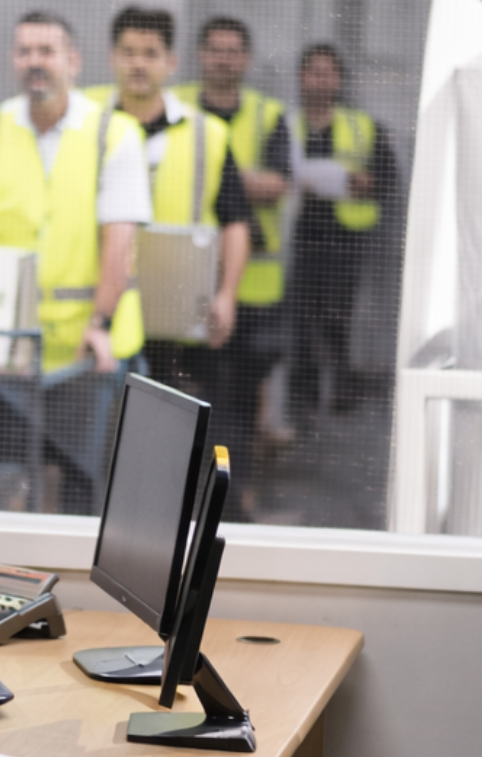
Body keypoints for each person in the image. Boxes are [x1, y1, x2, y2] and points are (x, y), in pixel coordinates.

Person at [0, 10, 151, 514]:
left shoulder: (113, 134)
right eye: (25, 51)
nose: (36, 62)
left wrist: (100, 322)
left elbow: (119, 241)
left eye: (47, 51)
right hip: (10, 355)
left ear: (73, 61)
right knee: (3, 484)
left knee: (86, 495)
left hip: (87, 354)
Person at [84, 9, 251, 476]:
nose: (139, 64)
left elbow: (236, 222)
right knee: (99, 441)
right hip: (106, 307)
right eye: (129, 52)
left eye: (150, 54)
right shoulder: (86, 122)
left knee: (173, 447)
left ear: (171, 62)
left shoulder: (208, 133)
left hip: (177, 312)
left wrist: (227, 295)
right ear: (111, 57)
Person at [172, 14, 293, 518]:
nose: (223, 58)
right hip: (188, 282)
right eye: (214, 49)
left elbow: (279, 184)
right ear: (200, 54)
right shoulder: (175, 106)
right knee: (188, 396)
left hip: (256, 290)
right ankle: (190, 502)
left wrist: (214, 174)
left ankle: (239, 501)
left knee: (244, 401)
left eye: (233, 51)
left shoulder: (267, 115)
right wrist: (245, 180)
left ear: (245, 59)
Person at [286, 42, 400, 421]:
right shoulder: (286, 124)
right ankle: (304, 394)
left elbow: (389, 178)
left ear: (339, 79)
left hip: (343, 239)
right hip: (297, 236)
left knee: (338, 316)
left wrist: (365, 182)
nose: (320, 79)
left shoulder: (361, 126)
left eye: (327, 71)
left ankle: (343, 390)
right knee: (301, 317)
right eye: (313, 71)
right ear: (301, 77)